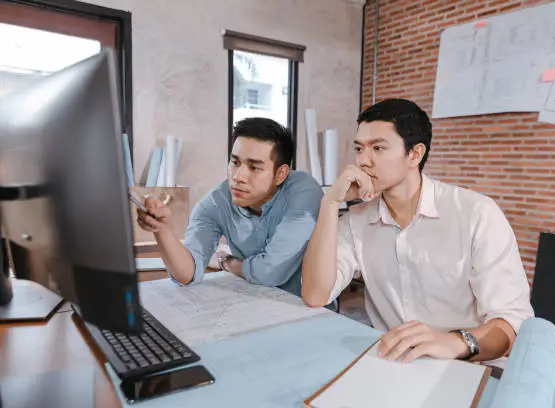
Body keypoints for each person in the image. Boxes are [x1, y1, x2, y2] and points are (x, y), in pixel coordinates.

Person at [302, 99, 534, 362]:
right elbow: (315, 295)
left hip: (470, 367)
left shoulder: (476, 213)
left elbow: (512, 323)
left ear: (415, 154)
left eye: (378, 148)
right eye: (359, 148)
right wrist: (330, 202)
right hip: (395, 364)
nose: (363, 161)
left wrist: (456, 342)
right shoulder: (356, 220)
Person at [137, 117, 323, 297]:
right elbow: (187, 275)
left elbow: (270, 272)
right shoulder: (216, 202)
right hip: (256, 302)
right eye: (235, 162)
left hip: (309, 309)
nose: (238, 176)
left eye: (254, 167)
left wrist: (228, 263)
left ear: (281, 174)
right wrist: (163, 231)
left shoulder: (304, 193)